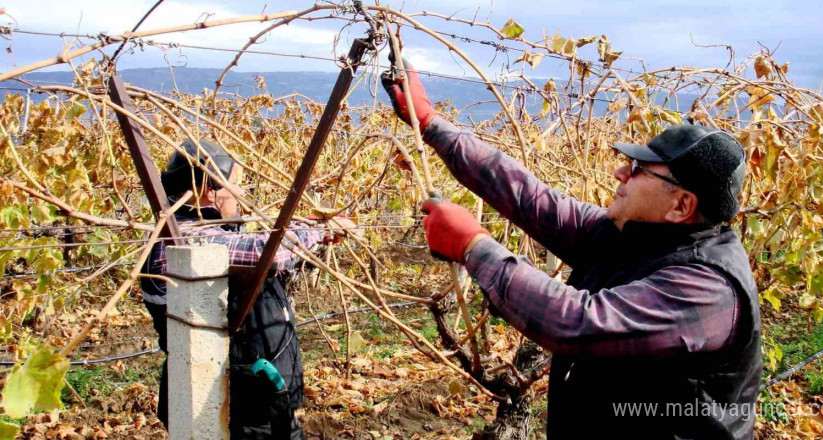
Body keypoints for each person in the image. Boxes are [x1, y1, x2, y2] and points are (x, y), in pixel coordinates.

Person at [382, 63, 761, 439]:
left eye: (638, 169)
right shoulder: (630, 234)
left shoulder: (708, 289)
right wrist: (431, 122)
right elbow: (528, 196)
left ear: (680, 205)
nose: (620, 174)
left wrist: (473, 246)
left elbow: (578, 322)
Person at [141, 139, 349, 439]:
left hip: (254, 394)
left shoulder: (207, 231)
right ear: (207, 189)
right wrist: (318, 230)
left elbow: (262, 256)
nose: (240, 194)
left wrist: (309, 233)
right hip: (226, 402)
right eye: (236, 185)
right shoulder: (182, 239)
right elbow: (265, 252)